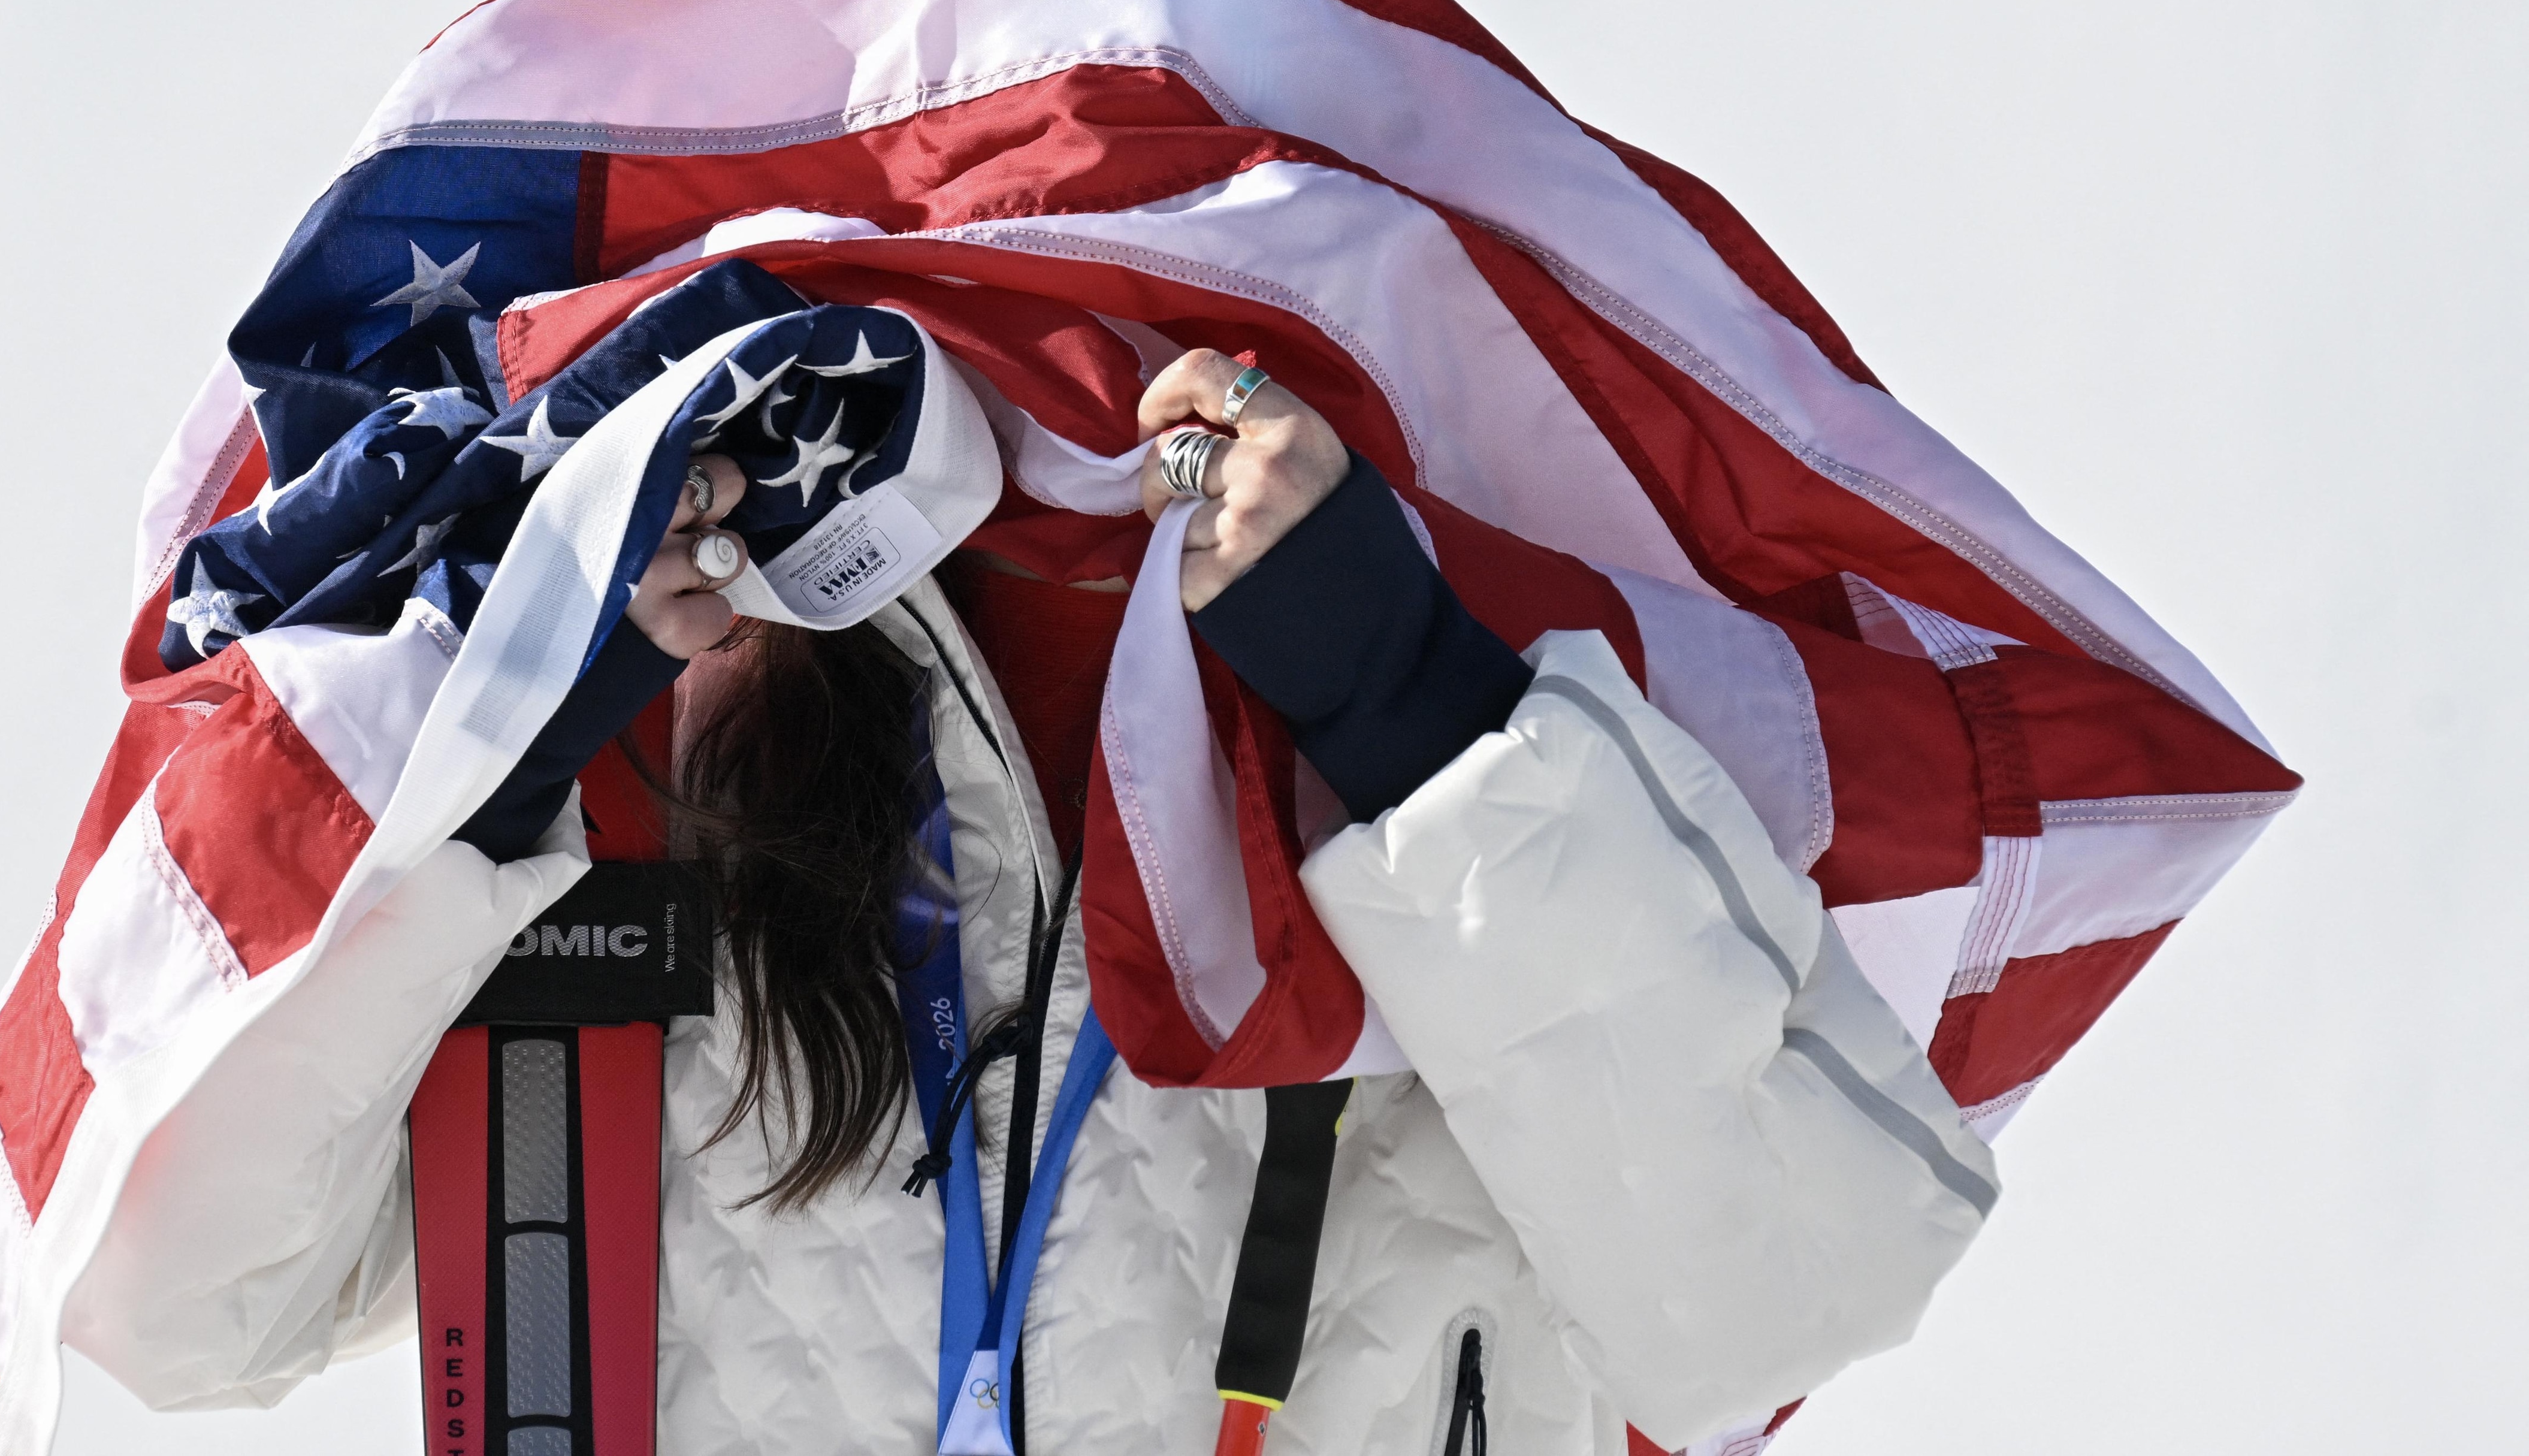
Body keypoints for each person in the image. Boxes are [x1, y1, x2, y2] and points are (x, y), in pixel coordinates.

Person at [421, 344, 1985, 1455]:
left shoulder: (1457, 731)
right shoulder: (687, 767)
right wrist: (498, 746)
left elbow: (1779, 1294)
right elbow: (211, 1303)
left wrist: (1415, 713)